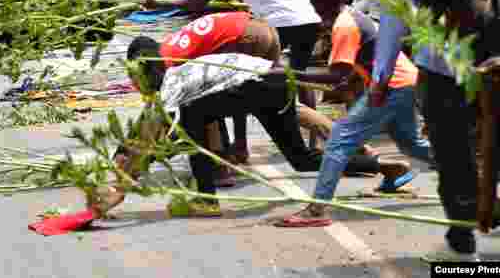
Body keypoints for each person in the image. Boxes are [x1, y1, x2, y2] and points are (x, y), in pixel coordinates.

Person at [90, 34, 381, 219]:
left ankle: (207, 200)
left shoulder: (173, 85)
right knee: (302, 160)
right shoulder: (181, 73)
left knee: (191, 119)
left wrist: (121, 184)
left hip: (261, 85)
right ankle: (377, 165)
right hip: (277, 83)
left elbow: (147, 135)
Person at [147, 0, 321, 162]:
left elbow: (200, 0)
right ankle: (313, 141)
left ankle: (240, 147)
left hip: (275, 24)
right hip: (307, 17)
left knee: (240, 81)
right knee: (300, 79)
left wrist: (159, 4)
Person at [275, 0, 430, 228]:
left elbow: (337, 76)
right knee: (411, 145)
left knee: (338, 141)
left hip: (393, 86)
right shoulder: (350, 16)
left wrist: (289, 73)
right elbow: (349, 72)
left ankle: (317, 210)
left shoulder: (344, 25)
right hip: (402, 81)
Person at [370, 0, 465, 258]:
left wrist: (380, 76)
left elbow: (392, 18)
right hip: (495, 47)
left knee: (451, 152)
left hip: (443, 60)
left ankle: (463, 248)